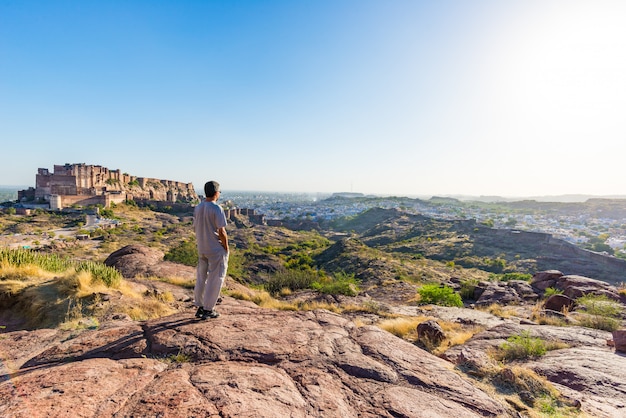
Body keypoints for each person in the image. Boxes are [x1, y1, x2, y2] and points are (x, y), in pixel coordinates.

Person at [193, 180, 229, 319]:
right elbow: (222, 231)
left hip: (202, 247)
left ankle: (200, 306)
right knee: (216, 277)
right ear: (216, 193)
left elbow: (195, 227)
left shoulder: (198, 207)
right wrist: (225, 247)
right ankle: (209, 309)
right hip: (214, 249)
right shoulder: (216, 208)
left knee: (201, 277)